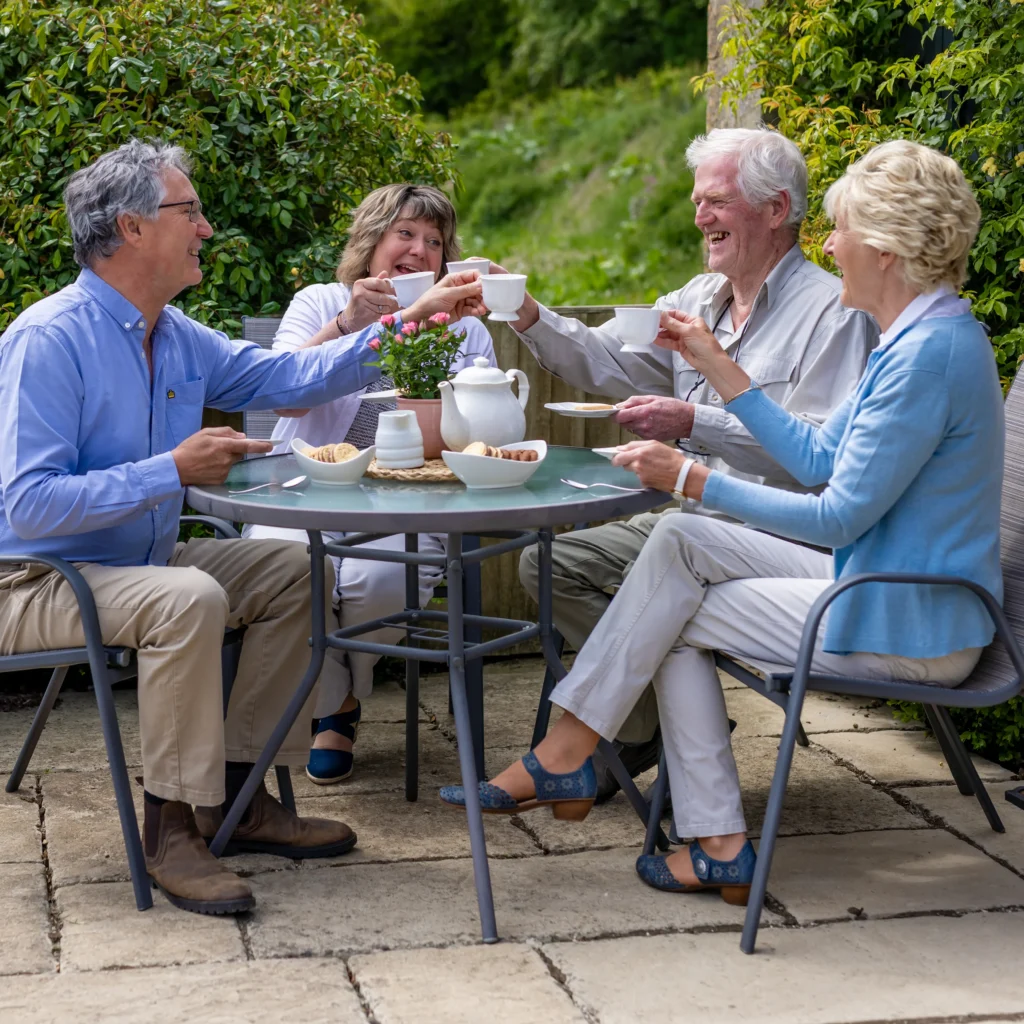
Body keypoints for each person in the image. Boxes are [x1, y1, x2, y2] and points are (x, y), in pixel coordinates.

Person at [440, 139, 1000, 902]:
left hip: (907, 613)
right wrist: (716, 365)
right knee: (676, 554)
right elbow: (815, 450)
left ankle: (660, 804)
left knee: (676, 599)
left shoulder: (924, 356)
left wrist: (691, 474)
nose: (828, 245)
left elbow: (835, 513)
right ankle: (671, 816)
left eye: (839, 231)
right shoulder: (922, 337)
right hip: (890, 585)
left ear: (885, 249)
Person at [0, 140, 485, 916]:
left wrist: (413, 319)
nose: (206, 228)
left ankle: (240, 795)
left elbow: (289, 380)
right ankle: (169, 830)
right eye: (189, 211)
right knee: (188, 598)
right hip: (36, 579)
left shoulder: (177, 332)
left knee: (297, 571)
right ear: (130, 228)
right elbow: (28, 506)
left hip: (139, 558)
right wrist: (173, 471)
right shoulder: (48, 340)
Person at [505, 127, 878, 799]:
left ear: (775, 209)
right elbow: (606, 362)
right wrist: (528, 314)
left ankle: (606, 746)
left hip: (779, 531)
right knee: (550, 564)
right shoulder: (697, 296)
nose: (700, 215)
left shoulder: (833, 313)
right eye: (696, 200)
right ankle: (641, 725)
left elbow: (819, 459)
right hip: (694, 515)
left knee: (665, 576)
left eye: (717, 200)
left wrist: (692, 421)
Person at [244, 184, 496, 785]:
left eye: (434, 241)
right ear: (372, 240)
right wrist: (348, 325)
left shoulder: (463, 329)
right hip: (300, 492)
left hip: (409, 501)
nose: (418, 250)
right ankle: (338, 705)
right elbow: (281, 392)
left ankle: (332, 699)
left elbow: (473, 428)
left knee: (381, 580)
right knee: (283, 569)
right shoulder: (321, 300)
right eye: (404, 234)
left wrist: (443, 350)